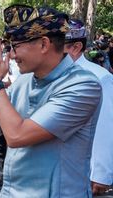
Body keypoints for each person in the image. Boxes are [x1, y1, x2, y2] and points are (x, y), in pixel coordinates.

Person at [0, 5, 102, 197]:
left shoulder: (83, 85)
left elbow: (17, 137)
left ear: (44, 44)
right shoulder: (23, 82)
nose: (12, 55)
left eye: (15, 46)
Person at [64, 19, 113, 196]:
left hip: (84, 168)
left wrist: (101, 173)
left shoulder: (99, 77)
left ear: (76, 47)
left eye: (58, 45)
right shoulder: (51, 75)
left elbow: (105, 127)